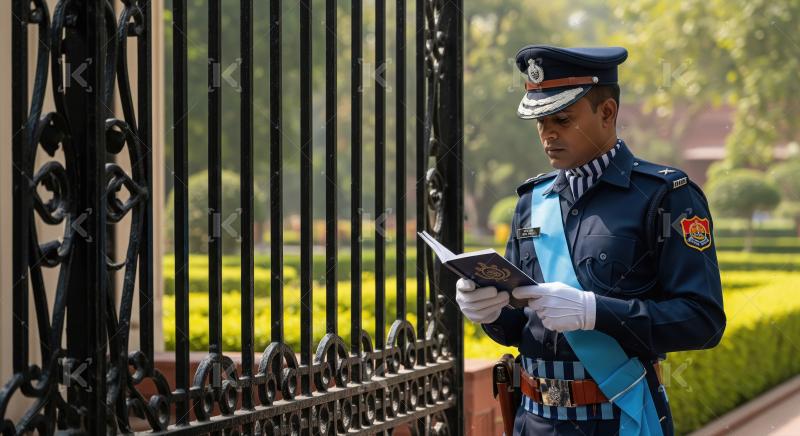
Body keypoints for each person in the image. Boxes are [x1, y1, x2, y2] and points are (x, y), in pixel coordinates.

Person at [455, 45, 726, 436]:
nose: (548, 134)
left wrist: (595, 311)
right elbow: (521, 328)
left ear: (607, 113)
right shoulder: (532, 202)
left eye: (561, 119)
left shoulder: (664, 195)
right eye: (540, 122)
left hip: (618, 417)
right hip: (533, 419)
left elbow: (703, 322)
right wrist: (490, 311)